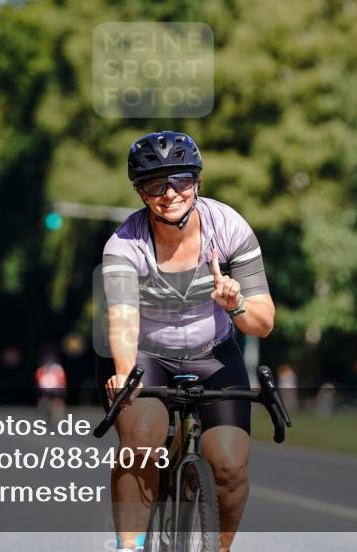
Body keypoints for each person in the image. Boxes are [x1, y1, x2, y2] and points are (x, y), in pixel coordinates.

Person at [99, 131, 275, 552]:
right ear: (141, 192)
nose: (169, 193)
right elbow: (123, 318)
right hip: (148, 353)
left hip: (213, 352)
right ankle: (130, 545)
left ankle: (221, 547)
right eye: (154, 184)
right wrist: (125, 374)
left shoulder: (229, 227)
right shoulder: (124, 245)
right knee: (141, 440)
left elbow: (263, 323)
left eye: (179, 179)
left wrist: (234, 305)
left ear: (197, 180)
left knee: (230, 464)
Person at [35, 348, 68, 424]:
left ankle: (58, 417)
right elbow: (38, 379)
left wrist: (62, 388)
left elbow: (62, 379)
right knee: (44, 401)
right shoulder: (41, 369)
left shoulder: (57, 368)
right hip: (45, 390)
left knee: (57, 401)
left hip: (57, 389)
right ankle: (46, 415)